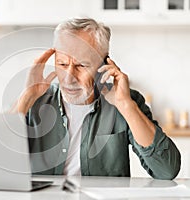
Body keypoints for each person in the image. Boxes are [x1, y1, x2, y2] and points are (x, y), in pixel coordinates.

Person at [14, 18, 181, 179]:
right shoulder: (36, 99)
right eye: (62, 64)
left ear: (103, 63)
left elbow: (166, 171)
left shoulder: (126, 101)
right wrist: (27, 97)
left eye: (81, 65)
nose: (68, 77)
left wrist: (126, 106)